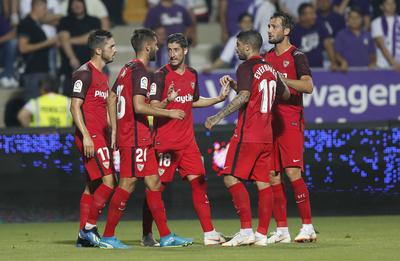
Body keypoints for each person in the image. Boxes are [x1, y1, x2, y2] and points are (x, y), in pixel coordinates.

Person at [102, 28, 192, 249]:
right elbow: (139, 106)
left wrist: (114, 128)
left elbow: (112, 98)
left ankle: (166, 236)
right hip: (134, 137)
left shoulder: (126, 69)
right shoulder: (142, 72)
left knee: (154, 183)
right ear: (148, 46)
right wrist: (170, 112)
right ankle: (108, 236)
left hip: (136, 136)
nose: (159, 48)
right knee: (128, 184)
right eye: (157, 44)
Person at [141, 33, 229, 246]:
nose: (172, 54)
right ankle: (147, 234)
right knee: (155, 189)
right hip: (165, 142)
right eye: (169, 50)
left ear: (185, 51)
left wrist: (217, 99)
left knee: (199, 184)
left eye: (176, 50)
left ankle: (209, 233)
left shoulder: (192, 74)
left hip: (188, 142)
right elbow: (151, 108)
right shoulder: (160, 75)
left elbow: (193, 101)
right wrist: (168, 103)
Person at [205, 30, 290, 247]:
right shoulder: (270, 68)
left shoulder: (246, 66)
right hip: (266, 134)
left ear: (247, 47)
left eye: (238, 45)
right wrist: (240, 86)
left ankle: (245, 230)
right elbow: (286, 93)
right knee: (264, 184)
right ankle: (261, 234)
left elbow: (244, 97)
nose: (236, 49)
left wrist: (218, 115)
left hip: (248, 133)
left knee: (230, 178)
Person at [264, 12, 317, 244]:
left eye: (274, 26)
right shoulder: (266, 57)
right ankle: (282, 229)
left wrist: (281, 79)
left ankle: (308, 227)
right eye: (268, 26)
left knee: (292, 172)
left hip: (290, 122)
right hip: (270, 124)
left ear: (286, 31)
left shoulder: (297, 56)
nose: (269, 30)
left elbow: (308, 86)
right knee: (272, 176)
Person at [70, 29, 117, 248]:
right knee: (109, 182)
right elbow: (74, 106)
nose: (115, 50)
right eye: (112, 46)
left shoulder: (102, 76)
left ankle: (82, 237)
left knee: (92, 185)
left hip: (100, 136)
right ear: (99, 50)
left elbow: (100, 111)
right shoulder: (84, 73)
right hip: (91, 137)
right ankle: (89, 228)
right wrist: (87, 136)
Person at [58, 0, 101, 95]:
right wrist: (72, 58)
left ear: (84, 4)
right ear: (70, 5)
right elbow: (63, 38)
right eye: (74, 2)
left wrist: (68, 41)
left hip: (91, 69)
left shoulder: (94, 20)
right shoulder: (64, 21)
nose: (77, 5)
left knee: (90, 102)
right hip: (69, 69)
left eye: (79, 2)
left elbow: (92, 38)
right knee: (69, 101)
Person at [17, 0, 58, 100]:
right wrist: (46, 43)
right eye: (44, 9)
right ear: (36, 7)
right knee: (33, 106)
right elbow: (23, 48)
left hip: (42, 70)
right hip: (33, 72)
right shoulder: (26, 23)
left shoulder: (37, 25)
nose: (46, 12)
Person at [290, 3, 338, 70]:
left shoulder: (320, 25)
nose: (314, 16)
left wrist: (333, 62)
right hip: (301, 71)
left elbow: (328, 44)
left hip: (318, 69)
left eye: (314, 13)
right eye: (311, 14)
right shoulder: (293, 31)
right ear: (302, 16)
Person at [371, 0, 400, 71]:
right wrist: (394, 64)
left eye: (393, 3)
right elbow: (382, 45)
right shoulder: (376, 22)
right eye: (388, 4)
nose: (391, 6)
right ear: (381, 7)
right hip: (383, 65)